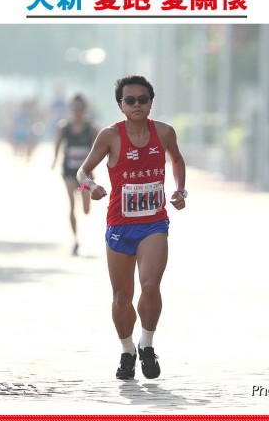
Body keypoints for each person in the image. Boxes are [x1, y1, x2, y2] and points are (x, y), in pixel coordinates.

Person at [76, 75, 187, 380]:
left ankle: (147, 344)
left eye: (143, 100)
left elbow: (177, 160)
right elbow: (83, 171)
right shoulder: (110, 136)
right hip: (119, 225)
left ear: (151, 103)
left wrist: (180, 190)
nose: (137, 105)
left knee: (150, 287)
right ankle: (127, 350)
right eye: (130, 100)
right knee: (122, 298)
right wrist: (90, 187)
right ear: (121, 105)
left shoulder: (164, 132)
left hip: (154, 223)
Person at [52, 94, 99, 256]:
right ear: (71, 109)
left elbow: (102, 146)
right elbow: (57, 144)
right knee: (71, 205)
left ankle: (85, 202)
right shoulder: (64, 127)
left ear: (85, 109)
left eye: (80, 107)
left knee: (86, 209)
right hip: (69, 172)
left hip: (85, 174)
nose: (77, 111)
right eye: (74, 107)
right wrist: (54, 160)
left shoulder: (91, 128)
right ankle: (75, 240)